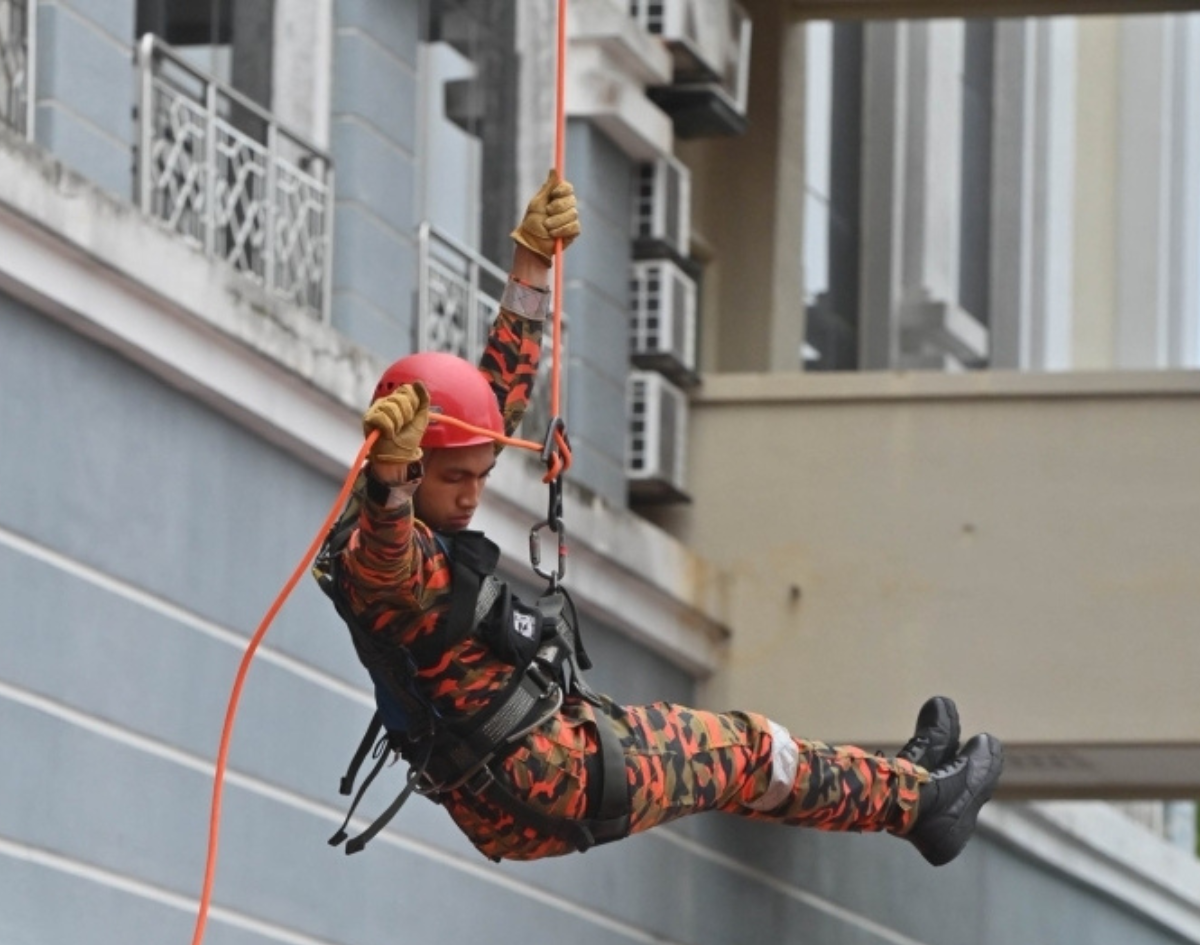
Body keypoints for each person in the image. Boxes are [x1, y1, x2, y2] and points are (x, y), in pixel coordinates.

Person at [315, 170, 1004, 866]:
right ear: (407, 467)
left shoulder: (416, 499)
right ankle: (920, 806)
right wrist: (389, 483)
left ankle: (899, 786)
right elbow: (385, 553)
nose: (470, 496)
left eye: (481, 478)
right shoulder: (381, 556)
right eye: (453, 478)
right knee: (751, 752)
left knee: (746, 759)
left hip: (539, 762)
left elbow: (490, 405)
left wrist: (530, 263)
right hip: (548, 780)